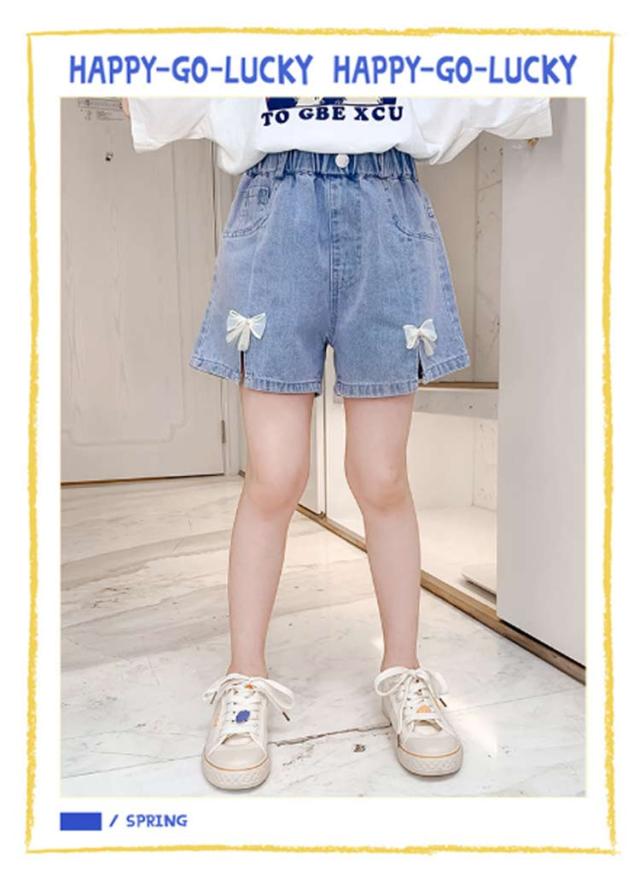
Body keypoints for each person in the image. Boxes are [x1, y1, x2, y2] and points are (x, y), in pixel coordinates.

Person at [122, 96, 552, 791]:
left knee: (382, 477)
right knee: (275, 475)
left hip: (389, 210)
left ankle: (405, 671)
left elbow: (499, 78)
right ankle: (244, 677)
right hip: (277, 210)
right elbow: (156, 81)